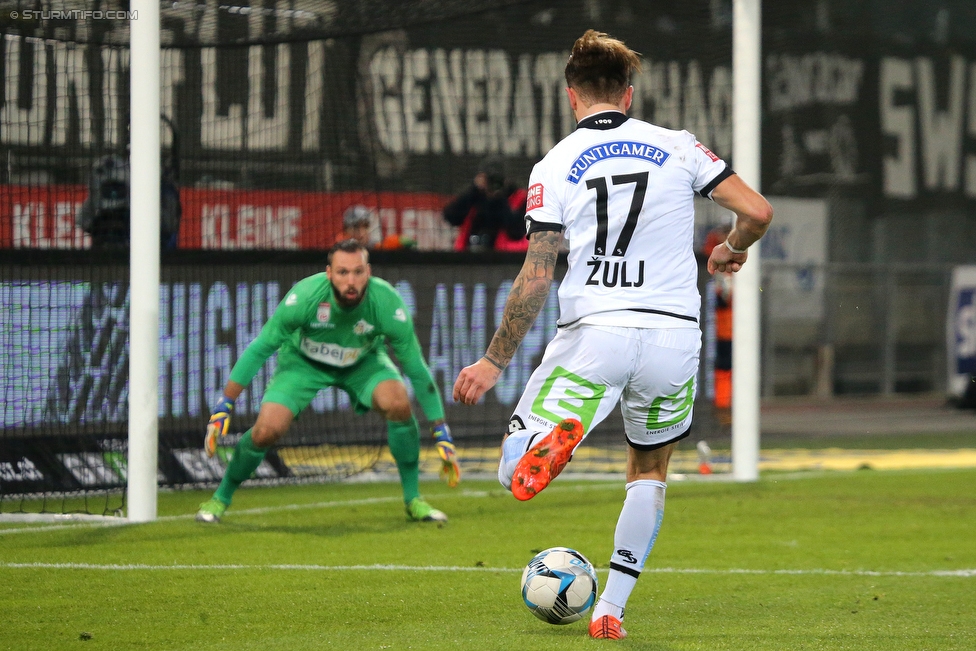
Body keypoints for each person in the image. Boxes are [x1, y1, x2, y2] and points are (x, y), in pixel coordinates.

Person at [453, 30, 772, 640]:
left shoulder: (553, 165)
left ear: (572, 96)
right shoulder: (679, 148)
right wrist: (730, 249)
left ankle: (558, 442)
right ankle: (611, 611)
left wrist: (495, 360)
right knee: (649, 471)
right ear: (628, 94)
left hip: (594, 335)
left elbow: (538, 271)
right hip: (673, 339)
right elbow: (757, 211)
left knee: (510, 469)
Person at [196, 238, 461, 524]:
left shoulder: (387, 303)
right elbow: (260, 347)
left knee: (397, 402)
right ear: (329, 273)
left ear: (368, 272)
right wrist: (225, 404)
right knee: (266, 431)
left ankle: (414, 500)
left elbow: (416, 368)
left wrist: (440, 428)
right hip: (302, 364)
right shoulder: (305, 297)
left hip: (363, 363)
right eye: (343, 272)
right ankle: (219, 498)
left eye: (358, 272)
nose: (351, 280)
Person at [442, 156, 529, 252]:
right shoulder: (474, 196)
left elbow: (516, 231)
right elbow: (451, 217)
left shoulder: (520, 198)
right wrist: (474, 190)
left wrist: (500, 198)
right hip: (468, 257)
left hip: (504, 259)